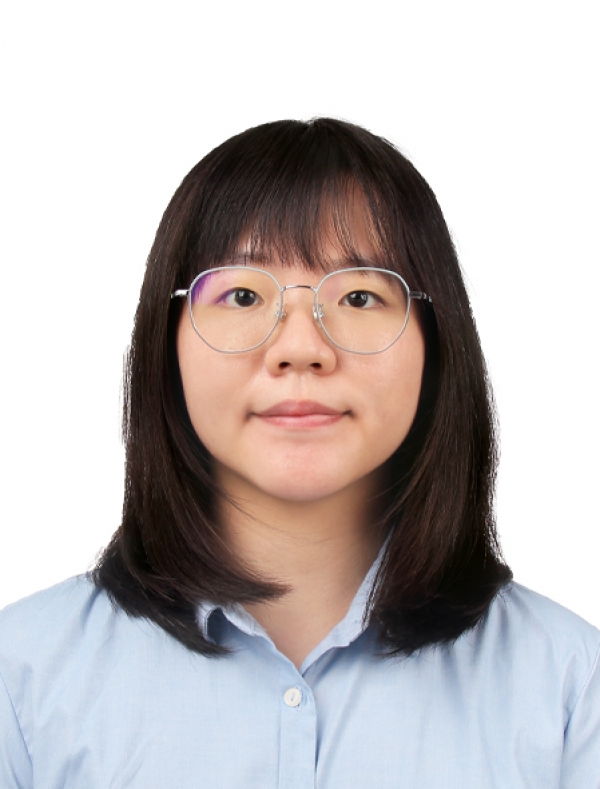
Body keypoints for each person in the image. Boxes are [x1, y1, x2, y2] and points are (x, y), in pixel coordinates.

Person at [0, 118, 598, 788]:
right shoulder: (20, 684)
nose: (301, 348)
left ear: (437, 341)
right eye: (243, 295)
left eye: (360, 296)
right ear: (167, 343)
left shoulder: (572, 690)